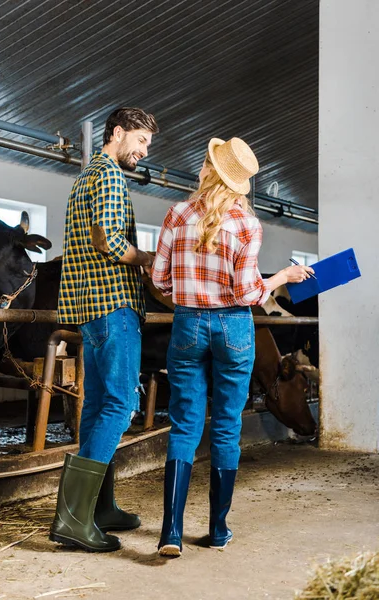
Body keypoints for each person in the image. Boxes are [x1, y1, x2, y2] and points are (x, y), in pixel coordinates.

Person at [152, 137, 314, 557]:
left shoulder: (177, 213)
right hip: (233, 329)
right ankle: (218, 530)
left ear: (208, 168)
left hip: (188, 322)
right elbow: (247, 292)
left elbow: (159, 281)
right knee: (226, 426)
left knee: (185, 425)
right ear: (238, 183)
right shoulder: (246, 223)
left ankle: (170, 532)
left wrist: (188, 291)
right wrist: (283, 278)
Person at [50, 107, 159, 552]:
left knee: (97, 406)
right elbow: (108, 241)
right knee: (120, 404)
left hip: (89, 309)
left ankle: (100, 506)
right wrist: (151, 260)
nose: (144, 151)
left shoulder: (87, 177)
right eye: (141, 141)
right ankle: (74, 518)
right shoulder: (110, 176)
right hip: (113, 306)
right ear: (117, 133)